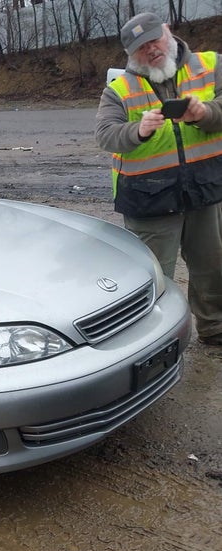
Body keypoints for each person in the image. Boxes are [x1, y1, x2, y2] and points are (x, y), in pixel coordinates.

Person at [95, 12, 222, 345]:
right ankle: (156, 341)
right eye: (141, 47)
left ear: (167, 31)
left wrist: (204, 113)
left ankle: (214, 329)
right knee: (153, 277)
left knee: (213, 267)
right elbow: (106, 134)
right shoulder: (120, 88)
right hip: (148, 198)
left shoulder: (209, 66)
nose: (150, 50)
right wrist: (138, 130)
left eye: (154, 39)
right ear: (130, 54)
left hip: (205, 190)